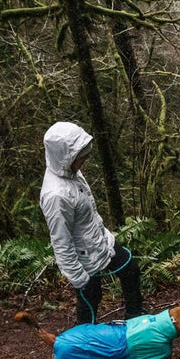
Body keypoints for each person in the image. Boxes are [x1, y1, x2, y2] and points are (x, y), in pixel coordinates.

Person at [40, 122, 144, 324]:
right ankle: (85, 344)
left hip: (101, 241)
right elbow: (61, 243)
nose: (85, 159)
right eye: (81, 155)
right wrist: (79, 278)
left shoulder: (71, 170)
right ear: (66, 156)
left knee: (130, 269)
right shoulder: (56, 195)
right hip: (84, 259)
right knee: (91, 298)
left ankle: (135, 318)